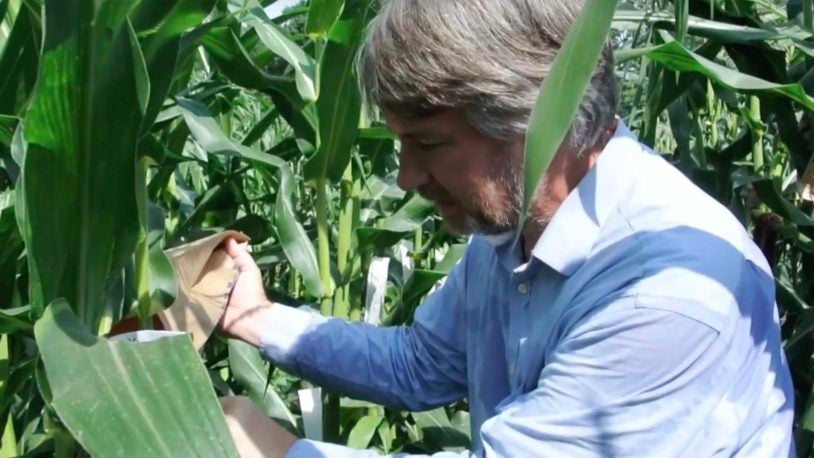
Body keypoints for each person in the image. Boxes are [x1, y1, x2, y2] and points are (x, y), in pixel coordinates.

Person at [218, 0, 796, 456]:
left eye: (427, 144)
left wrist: (276, 450)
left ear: (531, 115)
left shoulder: (666, 297)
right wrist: (254, 317)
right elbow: (419, 364)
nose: (405, 177)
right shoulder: (513, 226)